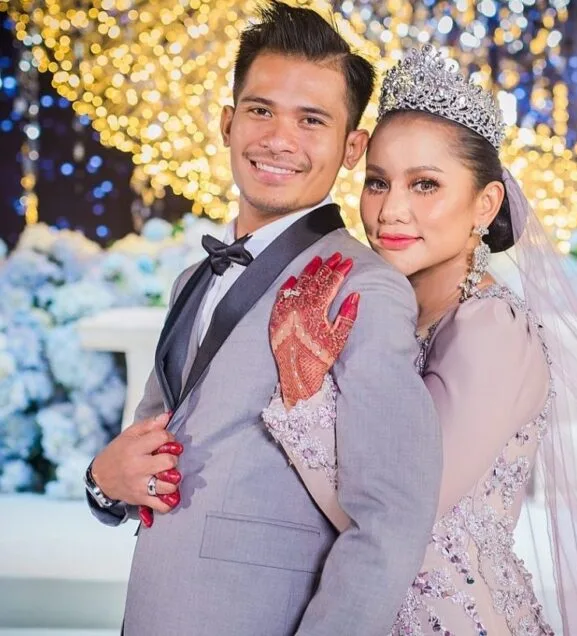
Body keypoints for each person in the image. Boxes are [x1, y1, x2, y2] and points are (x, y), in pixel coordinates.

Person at [262, 45, 577, 634]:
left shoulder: (489, 328)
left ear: (485, 203)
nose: (390, 210)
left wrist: (302, 397)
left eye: (425, 185)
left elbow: (401, 514)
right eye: (378, 182)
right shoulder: (395, 313)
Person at [83, 5, 442, 635]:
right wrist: (102, 484)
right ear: (228, 122)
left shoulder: (365, 287)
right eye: (260, 110)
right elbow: (149, 451)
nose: (279, 139)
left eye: (311, 120)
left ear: (352, 147)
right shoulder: (191, 280)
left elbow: (392, 517)